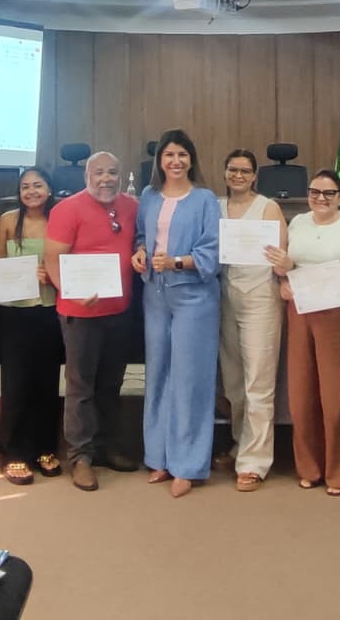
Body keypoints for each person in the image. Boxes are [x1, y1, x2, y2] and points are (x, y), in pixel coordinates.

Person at [266, 169, 340, 497]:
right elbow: (287, 267)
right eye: (315, 192)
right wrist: (283, 281)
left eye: (329, 193)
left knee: (337, 397)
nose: (321, 198)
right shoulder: (298, 223)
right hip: (301, 312)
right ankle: (309, 468)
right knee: (301, 396)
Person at [131, 129, 221, 499]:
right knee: (158, 375)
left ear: (191, 159)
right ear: (160, 161)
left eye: (182, 154)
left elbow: (212, 253)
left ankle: (188, 465)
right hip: (155, 296)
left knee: (190, 380)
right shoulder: (148, 196)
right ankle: (159, 457)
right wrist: (140, 253)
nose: (176, 161)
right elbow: (141, 236)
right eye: (169, 154)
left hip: (194, 298)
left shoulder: (205, 199)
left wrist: (177, 262)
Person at [44, 151, 140, 491]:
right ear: (87, 176)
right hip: (80, 313)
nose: (106, 179)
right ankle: (80, 457)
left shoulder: (131, 206)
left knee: (111, 385)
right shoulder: (66, 209)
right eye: (99, 172)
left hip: (119, 311)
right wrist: (70, 290)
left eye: (112, 172)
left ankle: (106, 447)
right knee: (80, 387)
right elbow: (52, 259)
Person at [0, 167, 64, 484]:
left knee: (47, 383)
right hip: (14, 313)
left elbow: (70, 264)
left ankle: (45, 448)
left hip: (50, 309)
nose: (31, 191)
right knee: (16, 385)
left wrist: (53, 275)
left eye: (38, 185)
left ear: (49, 189)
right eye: (25, 186)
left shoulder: (60, 219)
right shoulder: (8, 220)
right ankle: (11, 452)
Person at [216, 149, 287, 492]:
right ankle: (240, 443)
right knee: (233, 382)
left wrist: (282, 263)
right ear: (225, 172)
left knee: (258, 381)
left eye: (245, 171)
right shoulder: (215, 206)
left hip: (260, 296)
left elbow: (281, 255)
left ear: (255, 175)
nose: (239, 175)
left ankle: (254, 462)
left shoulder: (268, 207)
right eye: (233, 169)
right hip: (225, 296)